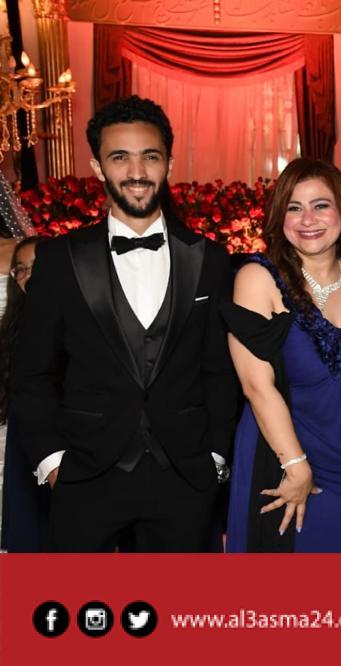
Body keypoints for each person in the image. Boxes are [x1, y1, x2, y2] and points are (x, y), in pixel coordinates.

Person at [11, 96, 238, 552]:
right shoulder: (59, 259)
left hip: (184, 476)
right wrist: (52, 461)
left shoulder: (210, 259)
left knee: (180, 598)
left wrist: (214, 456)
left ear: (169, 163)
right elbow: (31, 371)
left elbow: (220, 370)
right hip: (84, 473)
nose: (137, 171)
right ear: (97, 167)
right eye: (120, 157)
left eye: (150, 156)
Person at [222, 158, 341, 552]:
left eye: (321, 205)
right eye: (294, 208)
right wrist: (297, 467)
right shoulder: (258, 279)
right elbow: (255, 385)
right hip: (290, 461)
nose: (307, 220)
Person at [0, 237, 50, 551]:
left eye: (36, 266)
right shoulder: (14, 326)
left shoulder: (82, 317)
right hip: (23, 440)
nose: (28, 275)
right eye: (21, 269)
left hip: (68, 444)